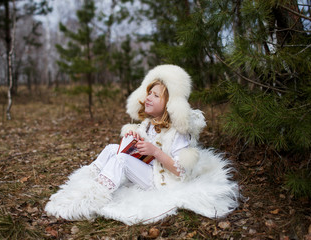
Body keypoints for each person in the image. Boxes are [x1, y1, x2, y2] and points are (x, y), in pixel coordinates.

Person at [45, 64, 239, 225]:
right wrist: (135, 135)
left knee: (121, 160)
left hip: (161, 180)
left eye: (155, 95)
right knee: (112, 148)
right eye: (148, 93)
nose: (148, 98)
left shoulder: (178, 133)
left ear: (170, 103)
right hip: (148, 167)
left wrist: (155, 152)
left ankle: (92, 198)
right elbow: (144, 143)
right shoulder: (149, 124)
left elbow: (181, 171)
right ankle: (89, 180)